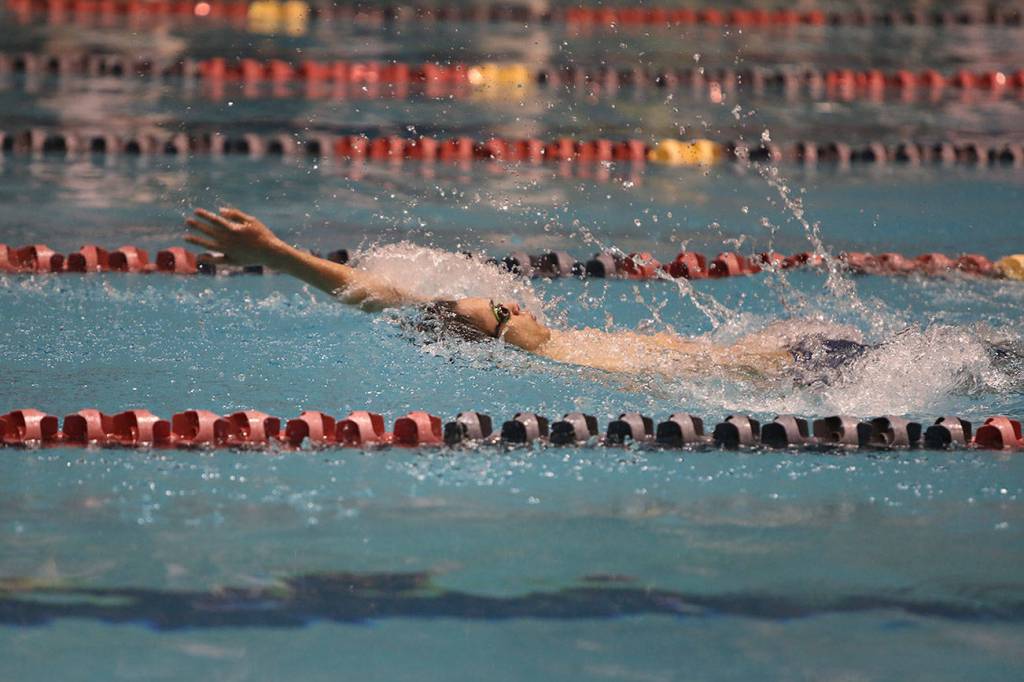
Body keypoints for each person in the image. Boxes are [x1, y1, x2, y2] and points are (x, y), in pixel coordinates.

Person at [185, 207, 867, 381]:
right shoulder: (559, 354)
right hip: (785, 366)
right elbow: (384, 298)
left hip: (784, 362)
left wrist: (279, 256)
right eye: (505, 312)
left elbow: (387, 298)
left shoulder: (531, 338)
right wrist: (280, 258)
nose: (515, 304)